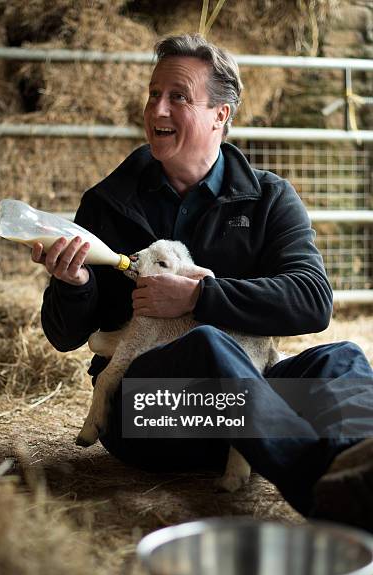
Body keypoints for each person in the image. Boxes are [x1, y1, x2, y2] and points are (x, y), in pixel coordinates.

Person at [32, 34, 373, 531]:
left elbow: (312, 301)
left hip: (242, 412)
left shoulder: (269, 198)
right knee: (207, 345)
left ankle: (359, 467)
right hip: (149, 416)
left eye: (178, 97)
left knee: (341, 360)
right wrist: (74, 283)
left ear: (221, 115)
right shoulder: (107, 203)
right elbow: (64, 336)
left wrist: (199, 296)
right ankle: (321, 486)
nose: (158, 108)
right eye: (153, 94)